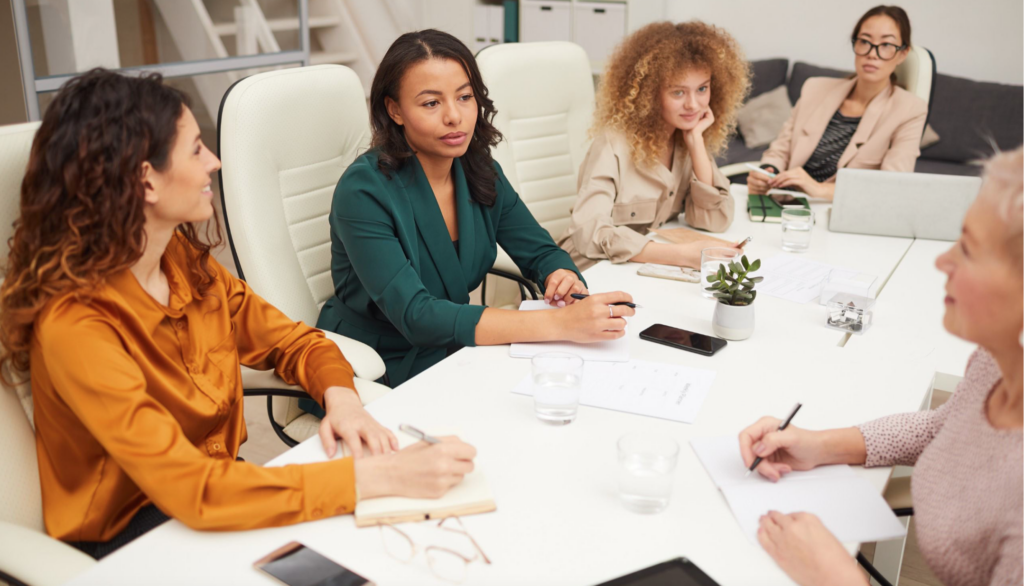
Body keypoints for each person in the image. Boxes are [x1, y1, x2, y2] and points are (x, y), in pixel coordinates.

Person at [0, 69, 477, 559]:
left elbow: (296, 341)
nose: (214, 161)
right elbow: (192, 490)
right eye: (194, 149)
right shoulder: (76, 325)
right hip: (132, 538)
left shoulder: (184, 265)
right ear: (145, 179)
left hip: (222, 490)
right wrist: (372, 478)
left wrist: (343, 400)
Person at [739, 148, 1023, 586]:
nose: (942, 261)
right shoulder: (995, 361)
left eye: (968, 249)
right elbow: (946, 428)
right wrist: (818, 445)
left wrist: (840, 577)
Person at [316, 30, 634, 390]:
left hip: (458, 348)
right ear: (395, 110)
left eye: (465, 97)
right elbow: (416, 315)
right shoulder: (364, 190)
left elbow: (541, 251)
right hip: (376, 365)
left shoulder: (477, 168)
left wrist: (562, 276)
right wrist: (561, 325)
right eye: (431, 103)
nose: (455, 116)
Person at [556, 21, 749, 271]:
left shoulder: (685, 137)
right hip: (584, 272)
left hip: (639, 270)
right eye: (678, 93)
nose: (693, 104)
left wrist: (697, 144)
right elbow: (589, 232)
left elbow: (714, 220)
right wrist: (680, 255)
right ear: (650, 93)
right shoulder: (613, 144)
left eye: (702, 89)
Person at [748, 5, 927, 201]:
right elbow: (780, 149)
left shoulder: (910, 109)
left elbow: (892, 187)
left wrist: (818, 189)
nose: (872, 53)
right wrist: (767, 172)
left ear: (902, 53)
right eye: (864, 41)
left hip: (843, 214)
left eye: (886, 45)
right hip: (787, 204)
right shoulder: (815, 88)